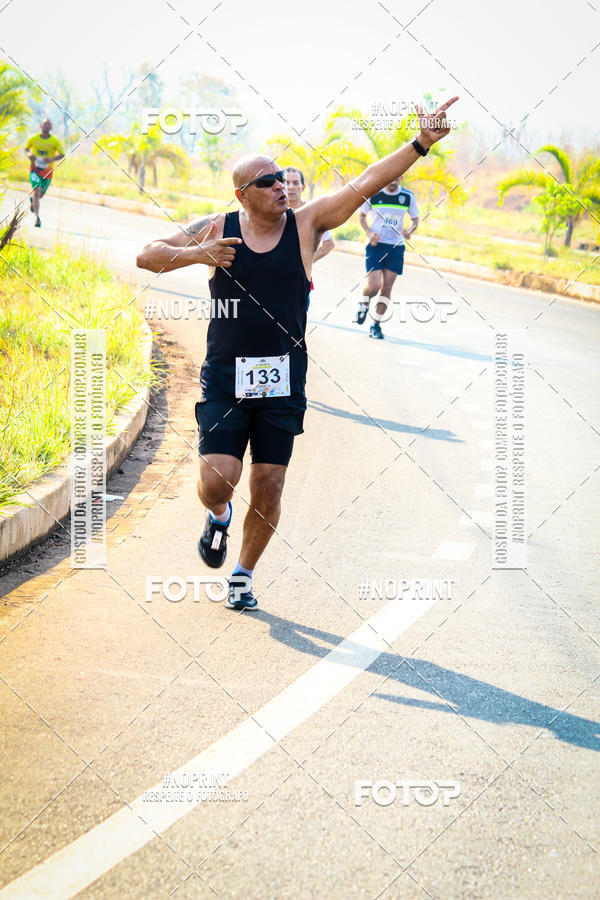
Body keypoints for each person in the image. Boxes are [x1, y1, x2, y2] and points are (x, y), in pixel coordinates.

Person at [136, 98, 457, 610]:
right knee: (218, 477)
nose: (281, 185)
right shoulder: (218, 227)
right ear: (243, 194)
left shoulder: (307, 225)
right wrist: (197, 254)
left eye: (283, 177)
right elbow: (148, 254)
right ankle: (218, 517)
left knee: (269, 481)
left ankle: (242, 575)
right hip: (224, 377)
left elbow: (366, 182)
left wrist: (421, 144)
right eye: (267, 181)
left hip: (283, 379)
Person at [354, 178, 419, 339]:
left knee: (386, 288)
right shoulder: (374, 194)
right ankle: (364, 304)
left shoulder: (407, 196)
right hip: (376, 246)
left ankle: (376, 325)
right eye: (390, 178)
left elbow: (415, 220)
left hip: (396, 247)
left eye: (397, 179)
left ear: (401, 179)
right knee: (374, 286)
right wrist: (369, 233)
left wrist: (409, 231)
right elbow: (361, 216)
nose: (393, 182)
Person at [24, 119, 65, 228]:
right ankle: (37, 218)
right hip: (35, 169)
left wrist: (51, 159)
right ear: (40, 125)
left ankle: (33, 200)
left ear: (51, 127)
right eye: (45, 123)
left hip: (47, 172)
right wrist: (29, 155)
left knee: (40, 195)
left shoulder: (55, 141)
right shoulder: (33, 138)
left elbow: (62, 154)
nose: (47, 125)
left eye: (49, 124)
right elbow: (26, 149)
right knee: (37, 192)